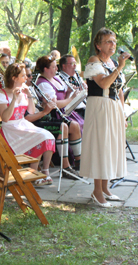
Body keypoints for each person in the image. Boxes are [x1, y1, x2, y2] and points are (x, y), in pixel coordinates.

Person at [80, 27, 129, 207]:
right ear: (99, 45)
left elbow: (120, 90)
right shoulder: (94, 61)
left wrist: (122, 114)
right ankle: (96, 191)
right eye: (108, 41)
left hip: (113, 107)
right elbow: (103, 83)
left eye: (114, 41)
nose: (113, 45)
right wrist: (121, 68)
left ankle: (106, 188)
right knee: (101, 147)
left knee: (110, 147)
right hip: (100, 107)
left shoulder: (113, 63)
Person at [0, 63, 55, 185]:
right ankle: (33, 174)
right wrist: (14, 99)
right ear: (14, 78)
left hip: (22, 125)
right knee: (40, 137)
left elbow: (30, 112)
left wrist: (29, 95)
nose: (26, 78)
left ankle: (43, 171)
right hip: (10, 129)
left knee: (48, 136)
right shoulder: (2, 94)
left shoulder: (24, 91)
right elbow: (5, 118)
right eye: (23, 76)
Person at [24, 64, 81, 178]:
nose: (32, 78)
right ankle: (65, 167)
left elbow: (37, 107)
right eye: (28, 75)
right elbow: (27, 117)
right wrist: (45, 111)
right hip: (31, 124)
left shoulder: (29, 89)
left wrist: (45, 103)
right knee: (62, 127)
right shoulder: (21, 92)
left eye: (31, 75)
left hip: (41, 118)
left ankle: (78, 162)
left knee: (72, 125)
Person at [35, 55, 84, 132]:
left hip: (64, 111)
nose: (57, 69)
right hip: (54, 115)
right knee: (76, 125)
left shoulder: (57, 78)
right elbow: (54, 104)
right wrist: (72, 98)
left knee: (82, 123)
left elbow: (64, 99)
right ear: (46, 69)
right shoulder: (43, 84)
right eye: (54, 67)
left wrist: (68, 92)